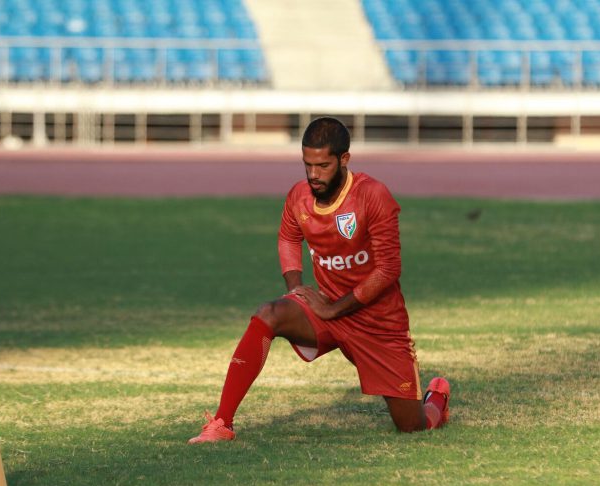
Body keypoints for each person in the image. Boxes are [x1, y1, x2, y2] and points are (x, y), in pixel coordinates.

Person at [188, 117, 450, 444]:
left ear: (344, 159)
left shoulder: (373, 195)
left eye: (323, 166)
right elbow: (287, 238)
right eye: (307, 165)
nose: (313, 175)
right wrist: (296, 289)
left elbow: (387, 270)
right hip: (325, 309)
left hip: (378, 324)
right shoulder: (299, 196)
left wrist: (335, 309)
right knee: (268, 313)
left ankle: (437, 396)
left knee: (413, 427)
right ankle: (221, 423)